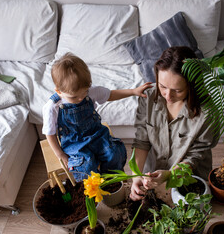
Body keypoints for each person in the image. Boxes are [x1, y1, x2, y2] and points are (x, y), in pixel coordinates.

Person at [42, 52, 152, 180]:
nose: (80, 98)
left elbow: (110, 94)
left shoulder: (91, 91)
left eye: (84, 93)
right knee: (85, 165)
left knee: (114, 152)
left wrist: (133, 91)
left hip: (96, 135)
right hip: (74, 143)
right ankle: (93, 189)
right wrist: (60, 153)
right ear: (58, 91)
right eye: (74, 97)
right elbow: (49, 133)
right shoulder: (53, 106)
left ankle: (112, 180)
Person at [129, 46, 219, 201]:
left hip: (190, 177)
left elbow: (195, 156)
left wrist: (171, 174)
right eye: (163, 86)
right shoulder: (148, 98)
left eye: (177, 90)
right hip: (153, 174)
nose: (168, 96)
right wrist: (136, 175)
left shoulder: (208, 112)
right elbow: (141, 141)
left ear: (192, 86)